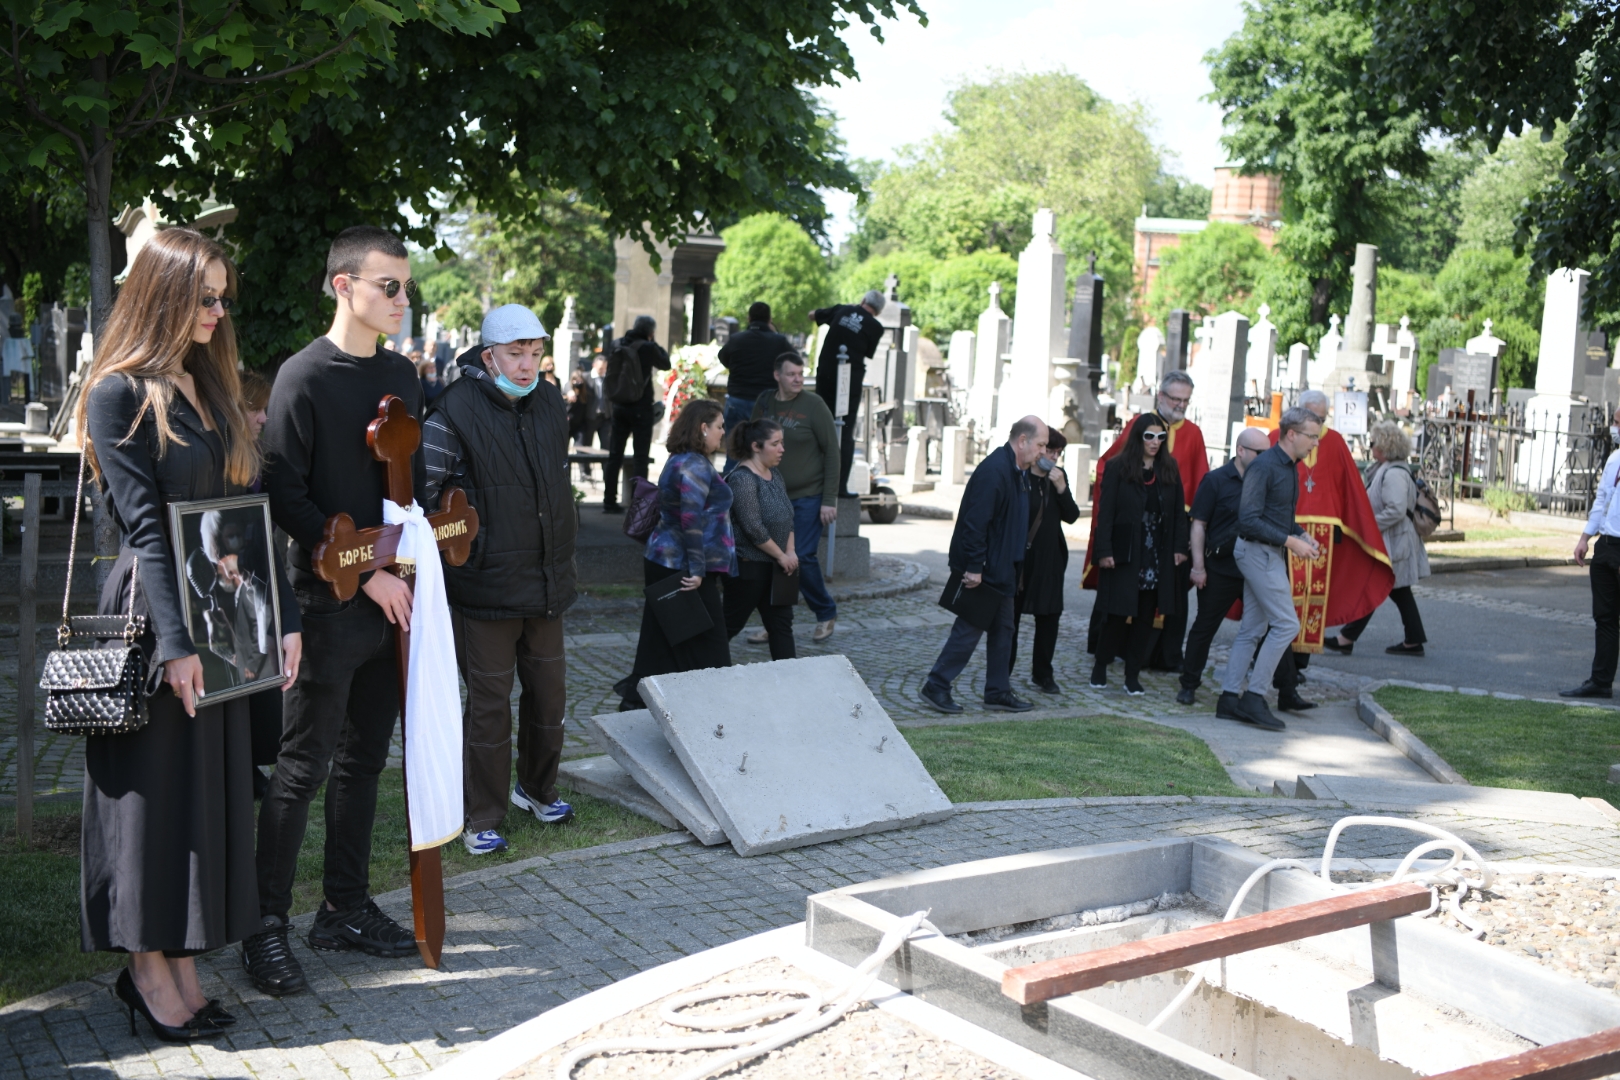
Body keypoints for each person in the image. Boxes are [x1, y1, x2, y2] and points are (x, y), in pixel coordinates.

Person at [77, 226, 302, 1040]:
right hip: (158, 616)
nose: (216, 311)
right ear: (164, 294)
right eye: (202, 296)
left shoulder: (208, 388)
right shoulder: (119, 394)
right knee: (153, 802)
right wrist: (174, 646)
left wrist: (286, 619)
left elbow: (250, 519)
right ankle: (147, 971)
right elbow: (143, 529)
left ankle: (182, 961)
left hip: (221, 615)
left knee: (206, 800)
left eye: (221, 297)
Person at [247, 226, 426, 996]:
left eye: (406, 287)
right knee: (301, 770)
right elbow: (285, 494)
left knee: (364, 763)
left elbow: (404, 487)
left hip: (393, 600)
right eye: (389, 286)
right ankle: (264, 929)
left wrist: (408, 565)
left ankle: (343, 909)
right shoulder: (302, 378)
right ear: (342, 286)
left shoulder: (405, 376)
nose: (402, 300)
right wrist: (366, 566)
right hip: (326, 604)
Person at [422, 303, 579, 856]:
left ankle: (537, 789)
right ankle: (480, 815)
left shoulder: (550, 401)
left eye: (535, 352)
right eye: (515, 353)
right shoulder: (451, 410)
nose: (527, 364)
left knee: (549, 697)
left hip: (546, 581)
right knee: (489, 706)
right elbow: (425, 497)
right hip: (484, 584)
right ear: (488, 355)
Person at [919, 416, 1047, 715]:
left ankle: (997, 691)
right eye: (1040, 444)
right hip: (985, 569)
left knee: (1004, 629)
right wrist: (975, 566)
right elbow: (975, 524)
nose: (1043, 451)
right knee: (969, 629)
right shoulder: (995, 471)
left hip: (1002, 568)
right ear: (1023, 441)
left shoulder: (1019, 471)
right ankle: (936, 685)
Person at [1083, 371, 1207, 669]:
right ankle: (1112, 649)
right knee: (1126, 590)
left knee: (1169, 593)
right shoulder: (1138, 427)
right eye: (1175, 399)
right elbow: (1108, 467)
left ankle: (1165, 656)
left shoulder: (1193, 433)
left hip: (1173, 530)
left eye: (1185, 400)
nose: (1180, 405)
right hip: (1136, 529)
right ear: (1161, 397)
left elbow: (1201, 482)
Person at [617, 399, 735, 709]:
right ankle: (713, 707)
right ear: (703, 427)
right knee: (711, 646)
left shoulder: (678, 458)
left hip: (665, 560)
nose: (723, 432)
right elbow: (690, 519)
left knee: (660, 640)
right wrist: (697, 570)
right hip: (683, 568)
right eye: (720, 426)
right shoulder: (694, 465)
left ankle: (637, 704)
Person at [1218, 406, 1324, 730]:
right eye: (1311, 436)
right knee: (1286, 625)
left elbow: (1277, 514)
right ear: (1291, 434)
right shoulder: (1265, 466)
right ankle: (1254, 698)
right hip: (1257, 553)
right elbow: (1248, 520)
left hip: (1265, 552)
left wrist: (1299, 533)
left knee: (1253, 628)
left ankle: (1228, 699)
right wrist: (1292, 543)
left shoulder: (1289, 465)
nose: (1315, 444)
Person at [1177, 427, 1289, 707]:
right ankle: (1189, 684)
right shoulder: (1215, 481)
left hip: (1256, 568)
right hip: (1221, 569)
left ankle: (1288, 691)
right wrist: (1199, 567)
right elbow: (1199, 525)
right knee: (1205, 627)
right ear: (1241, 451)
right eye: (1260, 453)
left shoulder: (1266, 480)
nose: (1266, 458)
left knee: (1275, 625)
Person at [1280, 389, 1394, 652]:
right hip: (1285, 527)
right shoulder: (1279, 438)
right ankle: (1279, 650)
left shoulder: (1336, 441)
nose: (1317, 428)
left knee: (1315, 591)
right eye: (1311, 418)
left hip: (1324, 530)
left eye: (1321, 419)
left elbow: (1350, 488)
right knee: (1284, 591)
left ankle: (1301, 655)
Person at [1090, 414, 1190, 695]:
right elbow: (1105, 513)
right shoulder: (1117, 467)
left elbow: (1179, 514)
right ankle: (1100, 665)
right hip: (1125, 551)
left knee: (1146, 617)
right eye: (1149, 436)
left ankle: (1132, 675)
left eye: (1160, 437)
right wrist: (1104, 551)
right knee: (1116, 615)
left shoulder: (1169, 468)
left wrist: (1180, 548)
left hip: (1156, 555)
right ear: (1138, 437)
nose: (1155, 442)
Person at [749, 351, 840, 643]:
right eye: (792, 374)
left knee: (801, 556)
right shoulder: (765, 402)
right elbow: (752, 445)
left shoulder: (814, 406)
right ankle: (776, 622)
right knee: (773, 559)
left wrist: (829, 498)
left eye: (801, 373)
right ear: (778, 375)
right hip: (771, 495)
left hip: (808, 496)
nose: (798, 378)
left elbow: (833, 454)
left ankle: (825, 612)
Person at [1324, 420, 1430, 658]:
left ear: (1384, 446)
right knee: (1396, 591)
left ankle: (1347, 638)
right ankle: (1412, 640)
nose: (1370, 447)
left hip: (1392, 541)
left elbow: (1395, 510)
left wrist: (1368, 527)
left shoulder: (1394, 473)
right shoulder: (1390, 469)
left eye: (1372, 443)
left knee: (1376, 587)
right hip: (1391, 540)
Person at [1010, 428, 1080, 694]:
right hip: (1022, 559)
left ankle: (1043, 674)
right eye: (1050, 449)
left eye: (1058, 452)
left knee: (1049, 618)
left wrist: (1062, 488)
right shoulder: (1021, 476)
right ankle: (1003, 673)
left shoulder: (1058, 479)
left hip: (1051, 559)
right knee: (1011, 619)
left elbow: (1071, 516)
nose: (1053, 456)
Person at [722, 417, 797, 659]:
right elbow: (753, 528)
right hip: (749, 568)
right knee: (729, 626)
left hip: (778, 567)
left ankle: (791, 680)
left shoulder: (775, 475)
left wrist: (791, 551)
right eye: (775, 443)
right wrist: (782, 556)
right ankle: (694, 672)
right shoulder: (742, 479)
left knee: (781, 626)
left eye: (782, 443)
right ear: (756, 446)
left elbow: (787, 516)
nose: (782, 449)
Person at [809, 291, 886, 496]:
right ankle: (839, 487)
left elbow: (812, 315)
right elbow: (867, 352)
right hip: (848, 382)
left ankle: (813, 482)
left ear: (862, 301)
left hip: (826, 373)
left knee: (819, 424)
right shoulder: (876, 327)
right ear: (877, 311)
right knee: (844, 430)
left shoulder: (842, 309)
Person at [1566, 408, 1620, 699]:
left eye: (1617, 423)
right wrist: (1585, 537)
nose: (1614, 428)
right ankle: (1601, 681)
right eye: (1614, 422)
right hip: (1607, 545)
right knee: (1605, 618)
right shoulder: (1614, 459)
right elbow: (1602, 500)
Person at [601, 315, 671, 513]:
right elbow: (666, 363)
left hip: (619, 406)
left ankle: (609, 500)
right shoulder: (647, 347)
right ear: (650, 331)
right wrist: (652, 341)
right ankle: (637, 503)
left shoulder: (617, 343)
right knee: (641, 458)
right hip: (641, 407)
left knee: (615, 455)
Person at [717, 301, 791, 462]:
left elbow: (723, 357)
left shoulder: (737, 339)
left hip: (738, 398)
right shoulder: (779, 342)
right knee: (765, 454)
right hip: (767, 401)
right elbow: (792, 361)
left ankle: (733, 484)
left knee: (734, 451)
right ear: (769, 319)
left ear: (749, 318)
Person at [567, 369, 598, 479]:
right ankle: (566, 473)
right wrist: (570, 394)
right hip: (567, 425)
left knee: (580, 448)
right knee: (564, 451)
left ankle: (583, 473)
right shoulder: (568, 392)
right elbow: (566, 386)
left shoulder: (585, 393)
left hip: (579, 425)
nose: (578, 382)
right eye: (575, 380)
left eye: (580, 380)